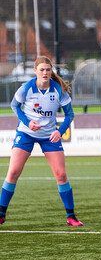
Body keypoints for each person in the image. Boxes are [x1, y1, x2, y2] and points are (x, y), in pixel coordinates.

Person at [0, 56, 83, 226]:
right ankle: (1, 213)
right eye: (42, 69)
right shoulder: (27, 88)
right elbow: (14, 106)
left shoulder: (58, 90)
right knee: (13, 172)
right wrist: (27, 122)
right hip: (26, 133)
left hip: (49, 136)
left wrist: (60, 132)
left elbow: (70, 115)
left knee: (61, 175)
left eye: (48, 69)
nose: (45, 73)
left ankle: (71, 216)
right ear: (35, 71)